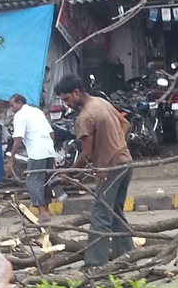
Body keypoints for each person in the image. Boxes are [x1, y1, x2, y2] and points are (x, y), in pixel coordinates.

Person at [54, 75, 133, 270]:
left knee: (100, 215)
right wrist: (117, 143)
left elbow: (87, 154)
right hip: (125, 162)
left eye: (66, 99)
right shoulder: (101, 102)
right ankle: (126, 256)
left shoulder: (84, 117)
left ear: (76, 92)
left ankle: (94, 264)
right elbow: (125, 124)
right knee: (115, 213)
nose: (66, 104)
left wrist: (69, 173)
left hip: (110, 168)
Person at [5, 94, 66, 224]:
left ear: (20, 103)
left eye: (12, 105)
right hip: (48, 150)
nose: (12, 109)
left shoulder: (20, 115)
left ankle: (42, 212)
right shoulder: (37, 112)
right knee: (46, 181)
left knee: (33, 182)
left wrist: (11, 158)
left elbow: (18, 138)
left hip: (37, 153)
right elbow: (51, 133)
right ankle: (46, 210)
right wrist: (52, 152)